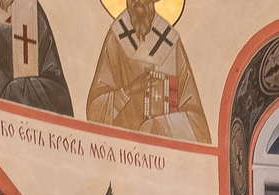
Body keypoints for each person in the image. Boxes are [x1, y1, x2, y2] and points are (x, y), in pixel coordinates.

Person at [85, 0, 208, 141]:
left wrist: (158, 126)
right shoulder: (117, 36)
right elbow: (95, 110)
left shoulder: (170, 41)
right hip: (122, 149)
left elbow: (196, 120)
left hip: (162, 152)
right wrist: (128, 91)